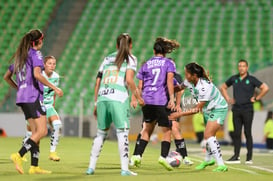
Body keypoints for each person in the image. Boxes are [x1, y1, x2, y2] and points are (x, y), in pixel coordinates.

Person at [3, 29, 63, 174]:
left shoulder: (20, 56)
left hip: (22, 98)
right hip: (33, 96)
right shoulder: (35, 53)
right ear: (39, 41)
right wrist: (54, 87)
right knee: (42, 130)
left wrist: (19, 88)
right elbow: (37, 75)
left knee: (36, 132)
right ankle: (19, 155)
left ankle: (34, 166)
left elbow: (6, 76)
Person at [86, 33, 144, 176]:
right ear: (130, 45)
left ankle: (91, 167)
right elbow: (130, 80)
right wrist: (138, 96)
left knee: (100, 133)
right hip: (118, 98)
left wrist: (95, 103)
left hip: (102, 97)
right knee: (122, 133)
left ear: (116, 45)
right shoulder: (131, 58)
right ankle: (124, 169)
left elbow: (98, 81)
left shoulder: (107, 58)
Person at [130, 37, 179, 171]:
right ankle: (163, 157)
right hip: (160, 100)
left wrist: (135, 98)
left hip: (146, 100)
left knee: (147, 128)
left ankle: (137, 156)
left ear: (153, 50)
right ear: (165, 51)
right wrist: (172, 99)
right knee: (167, 130)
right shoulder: (169, 63)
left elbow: (140, 85)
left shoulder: (146, 64)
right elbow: (169, 81)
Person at [169, 62, 228, 172]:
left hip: (218, 109)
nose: (185, 75)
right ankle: (208, 160)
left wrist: (179, 114)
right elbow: (178, 88)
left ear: (194, 75)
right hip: (208, 109)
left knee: (208, 135)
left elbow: (196, 109)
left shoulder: (204, 87)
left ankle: (221, 165)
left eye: (187, 73)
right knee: (208, 136)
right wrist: (164, 89)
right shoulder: (189, 81)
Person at [131, 72, 193, 166]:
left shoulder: (169, 76)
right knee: (158, 129)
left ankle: (185, 157)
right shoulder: (160, 76)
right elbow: (139, 87)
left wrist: (177, 104)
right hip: (162, 105)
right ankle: (154, 156)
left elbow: (179, 90)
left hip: (156, 105)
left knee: (172, 128)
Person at [220, 59, 269, 164]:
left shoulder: (251, 79)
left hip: (247, 109)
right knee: (236, 133)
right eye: (240, 66)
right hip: (236, 109)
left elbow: (265, 88)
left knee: (247, 132)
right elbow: (223, 87)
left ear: (247, 67)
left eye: (243, 66)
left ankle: (249, 157)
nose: (241, 68)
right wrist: (228, 98)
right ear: (238, 67)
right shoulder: (234, 78)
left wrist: (257, 98)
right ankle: (236, 156)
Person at [22, 56, 62, 161]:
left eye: (54, 64)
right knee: (32, 133)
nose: (52, 66)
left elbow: (53, 93)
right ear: (44, 64)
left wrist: (53, 104)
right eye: (49, 63)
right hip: (37, 105)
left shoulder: (56, 77)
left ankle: (52, 152)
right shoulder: (38, 75)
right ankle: (23, 151)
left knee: (57, 124)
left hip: (48, 106)